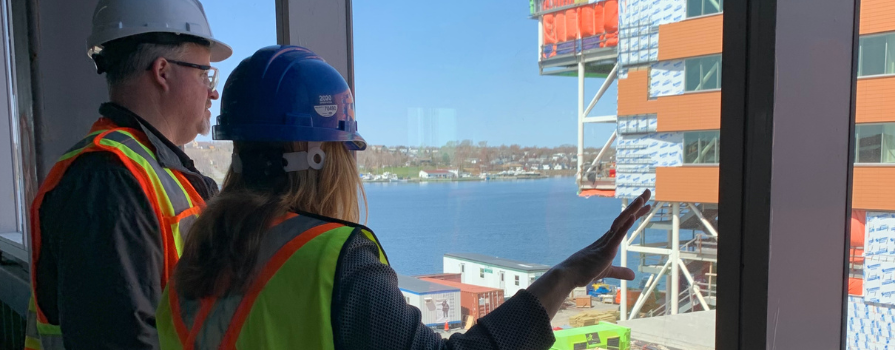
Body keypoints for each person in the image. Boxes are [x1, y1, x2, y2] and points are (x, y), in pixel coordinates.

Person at [156, 45, 652, 350]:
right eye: (343, 150)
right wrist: (565, 277)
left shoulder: (194, 249)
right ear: (318, 156)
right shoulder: (333, 259)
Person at [24, 0, 231, 349]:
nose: (212, 91)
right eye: (204, 74)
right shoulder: (107, 182)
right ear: (162, 71)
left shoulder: (155, 171)